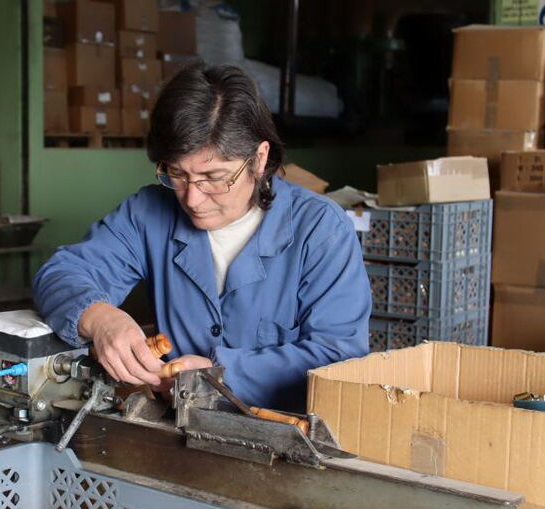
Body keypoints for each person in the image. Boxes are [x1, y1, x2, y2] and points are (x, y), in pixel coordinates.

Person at [34, 63, 371, 413]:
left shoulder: (320, 229)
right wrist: (101, 319)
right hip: (178, 429)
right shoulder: (147, 213)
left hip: (284, 433)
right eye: (177, 174)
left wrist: (220, 375)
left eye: (214, 177)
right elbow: (61, 272)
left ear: (259, 159)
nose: (192, 199)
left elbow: (340, 354)